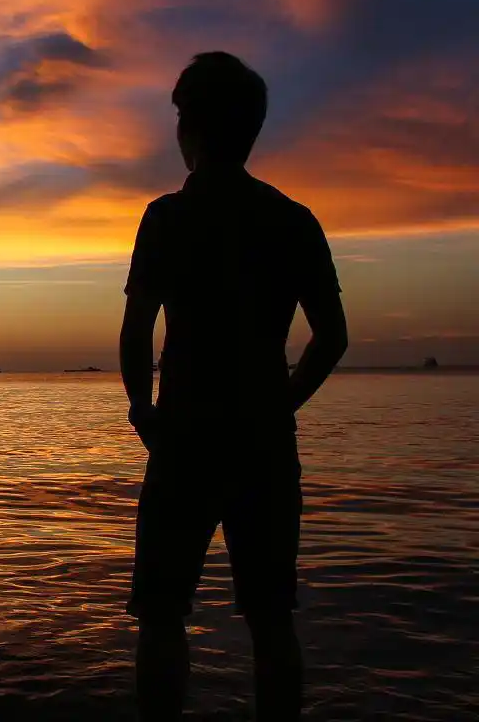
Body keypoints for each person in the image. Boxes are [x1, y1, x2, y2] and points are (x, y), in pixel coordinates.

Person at [119, 52, 349, 721]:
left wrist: (141, 408)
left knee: (161, 613)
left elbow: (138, 328)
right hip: (264, 443)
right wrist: (282, 403)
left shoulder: (167, 218)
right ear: (252, 129)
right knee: (271, 617)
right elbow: (331, 337)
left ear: (189, 126)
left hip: (183, 437)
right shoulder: (294, 220)